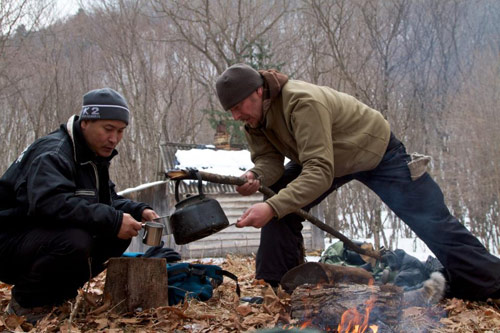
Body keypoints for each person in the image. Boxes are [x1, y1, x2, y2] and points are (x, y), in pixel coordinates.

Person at [215, 63, 500, 301]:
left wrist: (273, 208)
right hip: (326, 157)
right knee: (278, 200)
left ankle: (490, 282)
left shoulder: (302, 102)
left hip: (374, 151)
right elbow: (270, 161)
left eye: (239, 107)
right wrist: (257, 176)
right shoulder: (255, 120)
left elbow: (319, 172)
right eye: (231, 111)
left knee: (430, 219)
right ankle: (278, 288)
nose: (237, 116)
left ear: (259, 91)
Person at [0, 88, 159, 322]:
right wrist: (114, 219)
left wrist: (137, 210)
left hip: (36, 240)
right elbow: (49, 204)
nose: (114, 139)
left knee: (117, 234)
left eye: (120, 131)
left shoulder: (93, 156)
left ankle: (56, 296)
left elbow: (108, 199)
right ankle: (26, 302)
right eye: (108, 129)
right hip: (9, 240)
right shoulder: (54, 153)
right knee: (76, 240)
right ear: (86, 122)